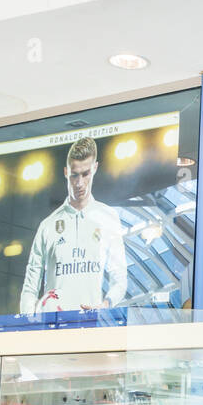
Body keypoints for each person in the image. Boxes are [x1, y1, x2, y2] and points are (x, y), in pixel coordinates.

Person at [20, 133, 127, 315]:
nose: (79, 183)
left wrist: (106, 305)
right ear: (66, 172)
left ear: (95, 168)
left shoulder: (108, 217)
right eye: (74, 175)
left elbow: (120, 278)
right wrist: (29, 322)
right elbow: (30, 287)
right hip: (53, 329)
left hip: (91, 328)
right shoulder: (48, 225)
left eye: (85, 174)